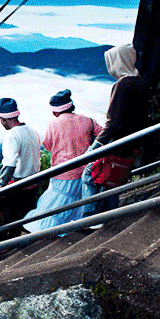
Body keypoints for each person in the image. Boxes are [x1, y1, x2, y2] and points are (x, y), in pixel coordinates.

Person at [81, 43, 149, 222]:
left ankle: (88, 218)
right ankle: (109, 217)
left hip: (116, 142)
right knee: (113, 179)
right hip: (131, 142)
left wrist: (95, 146)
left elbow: (113, 121)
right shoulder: (140, 82)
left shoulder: (123, 84)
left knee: (90, 174)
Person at [24, 90, 102, 233]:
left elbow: (47, 145)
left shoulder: (53, 124)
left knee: (54, 206)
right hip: (84, 171)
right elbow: (102, 135)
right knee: (77, 202)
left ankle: (46, 229)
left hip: (62, 172)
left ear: (55, 112)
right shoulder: (88, 120)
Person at [0, 97, 42, 225]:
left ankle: (15, 243)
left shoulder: (12, 135)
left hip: (19, 186)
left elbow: (10, 164)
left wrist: (2, 185)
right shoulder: (32, 130)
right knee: (28, 218)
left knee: (12, 221)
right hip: (33, 181)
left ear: (3, 119)